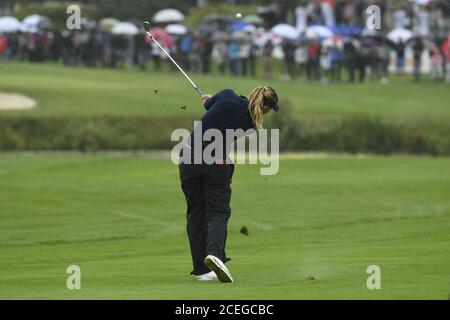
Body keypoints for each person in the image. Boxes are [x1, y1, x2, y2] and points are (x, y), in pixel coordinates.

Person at [179, 87, 280, 282]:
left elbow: (210, 106)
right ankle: (215, 255)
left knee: (196, 212)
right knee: (218, 212)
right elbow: (221, 111)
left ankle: (201, 270)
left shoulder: (226, 95)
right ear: (265, 108)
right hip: (216, 163)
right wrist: (211, 102)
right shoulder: (251, 123)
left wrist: (210, 99)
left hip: (189, 159)